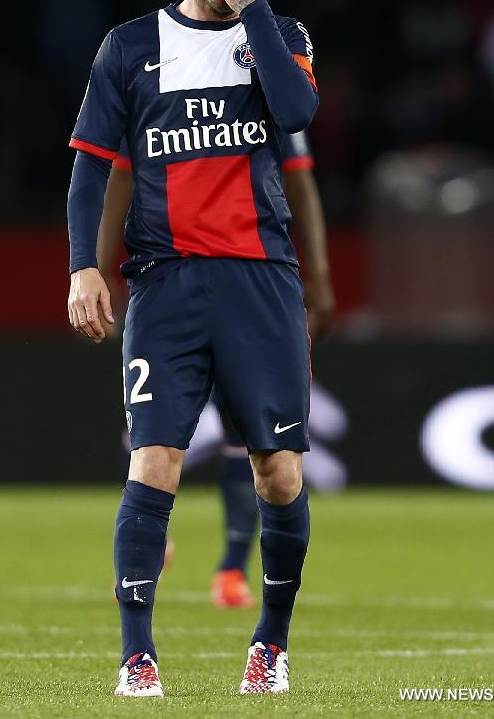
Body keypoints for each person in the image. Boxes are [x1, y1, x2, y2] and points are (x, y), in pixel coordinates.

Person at [66, 0, 319, 697]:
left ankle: (270, 645)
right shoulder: (131, 46)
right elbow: (91, 164)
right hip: (166, 282)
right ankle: (136, 656)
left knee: (278, 473)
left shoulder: (281, 39)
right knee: (155, 460)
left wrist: (254, 12)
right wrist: (83, 265)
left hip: (261, 283)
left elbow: (297, 109)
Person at [97, 133, 334, 610]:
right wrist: (102, 269)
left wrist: (319, 276)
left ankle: (230, 567)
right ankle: (152, 538)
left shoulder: (266, 85)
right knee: (150, 438)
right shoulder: (152, 83)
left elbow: (298, 178)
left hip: (248, 281)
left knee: (250, 440)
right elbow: (119, 173)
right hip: (169, 279)